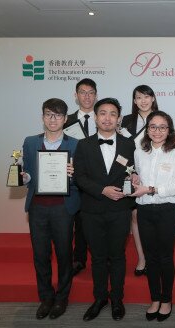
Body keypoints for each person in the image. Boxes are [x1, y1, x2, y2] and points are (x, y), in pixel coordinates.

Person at [74, 98, 136, 321]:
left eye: (112, 114)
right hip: (91, 210)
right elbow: (79, 177)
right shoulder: (83, 145)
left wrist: (135, 178)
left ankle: (117, 299)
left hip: (120, 210)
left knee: (118, 256)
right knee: (98, 257)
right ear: (96, 116)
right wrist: (102, 190)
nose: (107, 118)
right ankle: (100, 298)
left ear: (119, 119)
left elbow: (133, 173)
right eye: (103, 113)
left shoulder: (129, 145)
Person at [22, 98, 79, 319]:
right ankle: (46, 297)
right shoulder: (30, 142)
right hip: (38, 207)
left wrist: (73, 176)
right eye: (48, 114)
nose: (52, 119)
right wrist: (24, 177)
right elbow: (27, 173)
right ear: (43, 117)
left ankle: (62, 297)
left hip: (63, 208)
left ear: (65, 119)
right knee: (40, 254)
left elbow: (80, 179)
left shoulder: (75, 145)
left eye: (57, 115)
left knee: (65, 254)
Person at [131, 111, 175, 322]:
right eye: (153, 126)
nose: (157, 131)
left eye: (162, 127)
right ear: (147, 129)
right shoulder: (139, 152)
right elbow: (137, 178)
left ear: (169, 130)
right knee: (150, 258)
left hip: (166, 211)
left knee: (164, 257)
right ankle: (154, 298)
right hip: (144, 211)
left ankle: (167, 299)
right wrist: (134, 179)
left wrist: (150, 189)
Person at [121, 85, 159, 276]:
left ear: (152, 98)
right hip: (132, 174)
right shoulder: (126, 121)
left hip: (156, 175)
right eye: (138, 97)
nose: (143, 100)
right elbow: (120, 149)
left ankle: (155, 257)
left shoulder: (161, 118)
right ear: (134, 101)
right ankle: (142, 258)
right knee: (135, 217)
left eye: (147, 96)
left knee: (154, 218)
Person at [64, 78, 98, 276]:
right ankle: (78, 259)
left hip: (98, 180)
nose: (87, 96)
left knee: (93, 221)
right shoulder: (65, 120)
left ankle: (100, 258)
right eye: (82, 92)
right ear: (75, 96)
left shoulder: (103, 117)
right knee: (75, 220)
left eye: (90, 92)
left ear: (96, 95)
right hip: (73, 180)